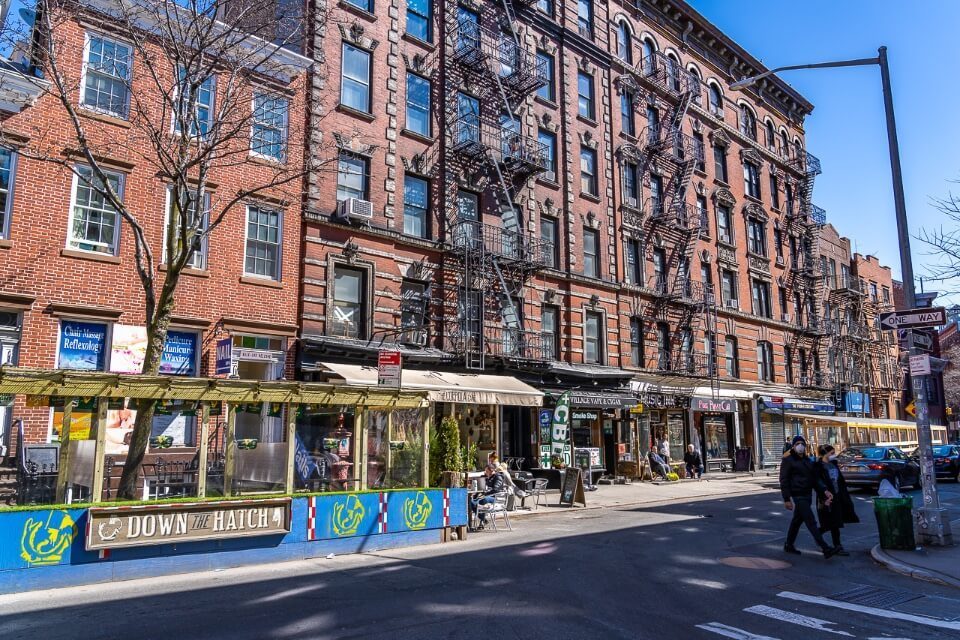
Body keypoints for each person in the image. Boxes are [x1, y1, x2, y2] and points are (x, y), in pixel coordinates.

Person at [780, 435, 839, 558]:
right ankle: (825, 548)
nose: (800, 446)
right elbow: (784, 480)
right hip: (798, 495)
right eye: (797, 444)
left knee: (797, 521)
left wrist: (824, 491)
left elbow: (815, 479)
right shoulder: (788, 460)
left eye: (802, 443)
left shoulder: (808, 461)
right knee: (811, 521)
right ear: (793, 446)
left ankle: (789, 544)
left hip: (807, 494)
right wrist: (787, 499)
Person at [814, 444, 859, 556]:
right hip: (826, 498)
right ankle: (822, 537)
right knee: (831, 523)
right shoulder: (818, 466)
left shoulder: (833, 464)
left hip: (837, 496)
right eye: (832, 453)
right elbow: (817, 481)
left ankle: (836, 545)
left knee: (836, 522)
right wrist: (824, 493)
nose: (834, 455)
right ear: (825, 454)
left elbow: (839, 480)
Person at [470, 464, 504, 530]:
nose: (485, 472)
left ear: (491, 470)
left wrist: (485, 493)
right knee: (471, 502)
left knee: (483, 500)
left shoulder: (498, 477)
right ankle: (483, 519)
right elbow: (483, 488)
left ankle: (482, 521)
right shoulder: (488, 477)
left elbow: (495, 489)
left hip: (495, 498)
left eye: (487, 471)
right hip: (487, 496)